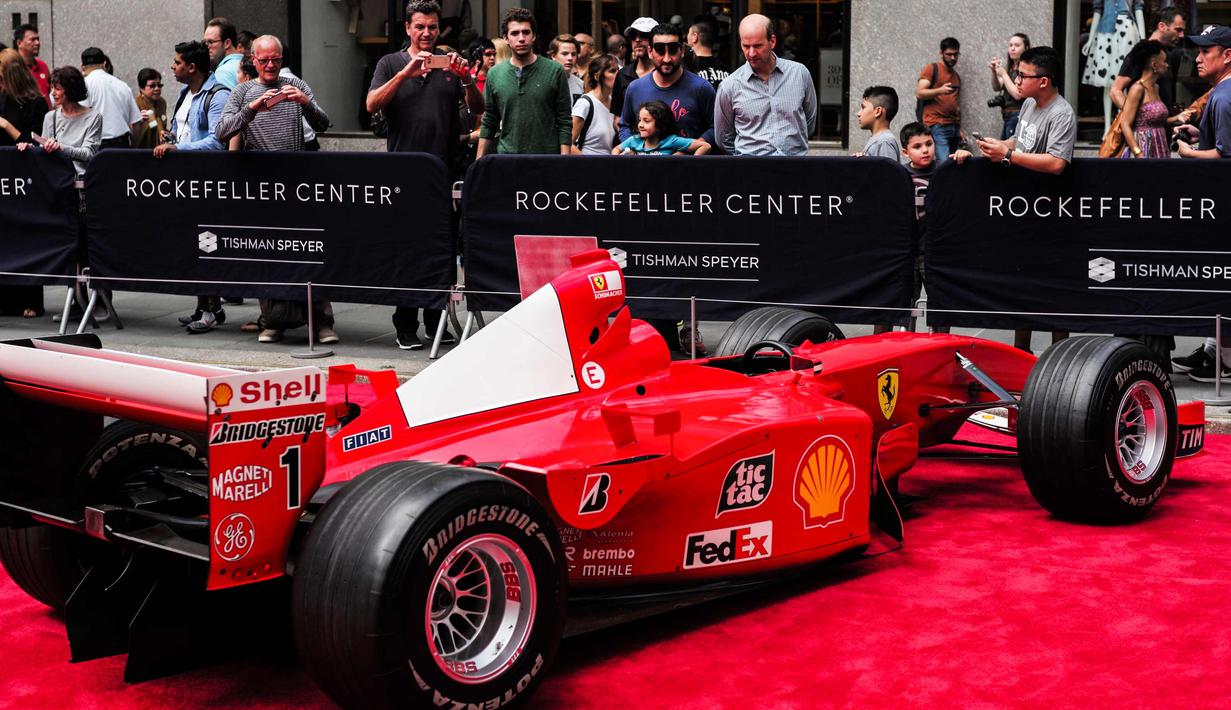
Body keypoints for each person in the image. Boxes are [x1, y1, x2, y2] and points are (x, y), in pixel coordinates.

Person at [367, 0, 480, 350]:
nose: (427, 33)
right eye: (420, 27)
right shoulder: (390, 63)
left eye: (432, 27)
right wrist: (405, 74)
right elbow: (371, 104)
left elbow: (479, 109)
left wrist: (467, 81)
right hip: (403, 175)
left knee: (442, 250)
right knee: (406, 251)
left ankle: (437, 321)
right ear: (408, 29)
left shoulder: (449, 67)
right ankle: (405, 323)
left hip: (444, 172)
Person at [215, 35, 336, 345]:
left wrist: (305, 103)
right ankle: (273, 322)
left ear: (282, 59)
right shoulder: (242, 91)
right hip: (261, 187)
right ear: (253, 60)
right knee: (267, 255)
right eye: (264, 60)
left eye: (276, 60)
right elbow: (222, 131)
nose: (270, 65)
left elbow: (324, 124)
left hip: (298, 184)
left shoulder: (296, 84)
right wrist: (252, 109)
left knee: (308, 252)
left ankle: (321, 323)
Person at [974, 46, 1076, 353]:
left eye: (1023, 74)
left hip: (1049, 211)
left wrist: (1008, 154)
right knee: (1021, 287)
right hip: (1022, 209)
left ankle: (1060, 356)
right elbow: (1021, 141)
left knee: (1052, 289)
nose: (1016, 79)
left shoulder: (1062, 113)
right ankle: (1021, 353)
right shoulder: (1030, 104)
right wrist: (999, 145)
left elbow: (1057, 163)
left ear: (1043, 80)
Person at [153, 41, 231, 333]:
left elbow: (217, 141)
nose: (172, 67)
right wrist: (170, 135)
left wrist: (179, 148)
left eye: (176, 62)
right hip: (185, 181)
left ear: (192, 67)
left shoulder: (218, 95)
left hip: (206, 182)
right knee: (193, 246)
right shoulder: (186, 93)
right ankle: (205, 305)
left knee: (206, 245)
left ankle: (211, 310)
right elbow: (184, 131)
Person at [1170, 25, 1231, 382]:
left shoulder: (1224, 97)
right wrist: (1199, 135)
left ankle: (1223, 357)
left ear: (1226, 55)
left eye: (1205, 51)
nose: (1197, 57)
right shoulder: (1220, 94)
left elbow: (1225, 159)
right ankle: (1215, 349)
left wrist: (1189, 152)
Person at [714, 13, 816, 156]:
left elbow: (809, 123)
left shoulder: (799, 74)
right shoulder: (730, 86)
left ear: (772, 41)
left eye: (757, 46)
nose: (751, 53)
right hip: (751, 172)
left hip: (794, 170)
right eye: (746, 46)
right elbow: (723, 138)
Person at [476, 8, 572, 157]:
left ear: (533, 36)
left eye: (526, 32)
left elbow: (564, 120)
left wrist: (564, 161)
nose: (521, 38)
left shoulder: (554, 70)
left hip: (546, 158)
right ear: (506, 38)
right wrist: (478, 162)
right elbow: (489, 120)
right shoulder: (495, 73)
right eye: (515, 33)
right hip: (507, 158)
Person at [0, 48, 49, 318]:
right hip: (5, 179)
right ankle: (5, 300)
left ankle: (31, 300)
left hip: (27, 180)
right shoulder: (2, 98)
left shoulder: (37, 104)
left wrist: (7, 126)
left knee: (27, 240)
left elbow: (34, 143)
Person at [617, 23, 715, 147]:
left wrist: (691, 148)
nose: (667, 59)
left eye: (673, 50)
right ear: (650, 51)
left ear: (682, 51)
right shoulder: (635, 88)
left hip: (688, 165)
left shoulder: (701, 88)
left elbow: (715, 128)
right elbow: (624, 125)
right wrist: (636, 149)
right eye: (660, 50)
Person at [1117, 40, 1192, 159]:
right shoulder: (1137, 89)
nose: (1167, 65)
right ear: (1154, 64)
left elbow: (1157, 120)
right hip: (1143, 146)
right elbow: (1125, 124)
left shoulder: (1155, 87)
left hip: (1159, 144)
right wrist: (1138, 153)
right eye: (1164, 61)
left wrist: (1177, 118)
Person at [1082, 0, 1145, 132]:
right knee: (1107, 84)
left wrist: (1143, 38)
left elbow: (1138, 8)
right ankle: (1107, 127)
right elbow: (1098, 10)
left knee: (1124, 80)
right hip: (1106, 33)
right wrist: (1090, 39)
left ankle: (1123, 123)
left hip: (1127, 31)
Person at [1111, 6, 1186, 112]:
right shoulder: (1142, 52)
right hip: (1143, 126)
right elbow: (1115, 90)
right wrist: (1135, 117)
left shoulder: (1170, 54)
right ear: (1162, 26)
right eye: (1178, 30)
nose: (1182, 35)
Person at [81, 47, 142, 148]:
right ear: (105, 64)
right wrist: (133, 146)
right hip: (121, 145)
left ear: (82, 67)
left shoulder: (83, 86)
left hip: (94, 147)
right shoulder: (122, 85)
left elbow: (79, 119)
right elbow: (136, 123)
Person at [915, 37, 962, 163]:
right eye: (949, 54)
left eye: (955, 54)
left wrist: (959, 129)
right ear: (941, 53)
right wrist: (939, 90)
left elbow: (955, 104)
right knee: (944, 163)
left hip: (953, 127)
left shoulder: (956, 76)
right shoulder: (932, 68)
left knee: (953, 163)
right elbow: (919, 93)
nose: (953, 58)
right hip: (936, 125)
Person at [613, 99, 709, 154]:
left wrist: (692, 164)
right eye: (639, 120)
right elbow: (616, 149)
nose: (640, 125)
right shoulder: (634, 140)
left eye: (646, 121)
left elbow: (705, 146)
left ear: (661, 123)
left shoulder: (671, 141)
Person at [612, 17, 656, 129]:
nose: (637, 40)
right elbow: (617, 118)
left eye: (644, 35)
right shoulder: (623, 74)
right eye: (633, 36)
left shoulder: (664, 73)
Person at [572, 53, 618, 154]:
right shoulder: (585, 103)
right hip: (588, 165)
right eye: (612, 71)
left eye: (618, 70)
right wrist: (588, 165)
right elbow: (568, 143)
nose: (618, 74)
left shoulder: (614, 102)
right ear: (597, 76)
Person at [989, 33, 1030, 139]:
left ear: (1026, 48)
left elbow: (1018, 94)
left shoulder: (1026, 68)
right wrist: (994, 72)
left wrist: (1003, 74)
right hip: (1007, 116)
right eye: (1010, 45)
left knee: (1010, 152)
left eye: (1017, 45)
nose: (1012, 48)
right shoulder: (1011, 67)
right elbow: (997, 87)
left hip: (1018, 115)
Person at [853, 85, 900, 161]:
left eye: (863, 107)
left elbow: (889, 172)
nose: (858, 113)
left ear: (878, 111)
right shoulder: (879, 139)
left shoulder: (884, 141)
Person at [132, 68, 168, 149]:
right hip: (141, 151)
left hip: (159, 150)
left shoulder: (162, 102)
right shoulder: (135, 104)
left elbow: (163, 125)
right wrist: (138, 122)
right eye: (152, 86)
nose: (157, 88)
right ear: (141, 87)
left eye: (159, 85)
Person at [687, 21, 729, 90]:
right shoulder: (725, 69)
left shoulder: (689, 67)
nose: (687, 36)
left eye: (689, 33)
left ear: (695, 36)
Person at [205, 17, 244, 90]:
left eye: (210, 42)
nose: (206, 47)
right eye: (205, 43)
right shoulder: (248, 63)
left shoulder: (223, 72)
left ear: (227, 43)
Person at [14, 24, 49, 106]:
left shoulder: (43, 65)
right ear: (19, 43)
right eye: (32, 39)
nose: (37, 43)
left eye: (38, 39)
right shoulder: (12, 68)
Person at [548, 34, 584, 103]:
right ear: (553, 56)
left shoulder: (579, 83)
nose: (570, 58)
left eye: (573, 54)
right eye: (565, 54)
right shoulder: (544, 81)